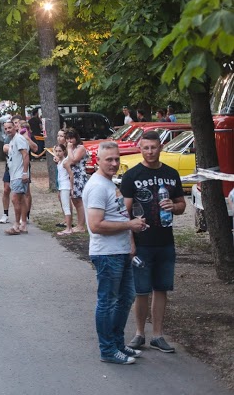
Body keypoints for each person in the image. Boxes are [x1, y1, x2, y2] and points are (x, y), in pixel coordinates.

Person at [121, 130, 186, 354]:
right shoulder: (132, 176)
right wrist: (130, 242)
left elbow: (182, 204)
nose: (150, 152)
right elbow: (125, 213)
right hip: (142, 242)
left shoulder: (171, 174)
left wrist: (174, 207)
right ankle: (139, 334)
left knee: (161, 288)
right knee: (141, 290)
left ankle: (158, 335)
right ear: (140, 148)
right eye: (146, 148)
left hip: (165, 241)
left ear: (161, 147)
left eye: (154, 147)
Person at [84, 141, 148, 364]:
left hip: (120, 251)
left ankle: (118, 344)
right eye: (109, 159)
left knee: (126, 297)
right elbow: (96, 225)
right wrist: (130, 225)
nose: (114, 163)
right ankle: (108, 350)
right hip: (107, 254)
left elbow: (118, 215)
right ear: (97, 161)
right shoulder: (97, 187)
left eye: (116, 159)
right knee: (108, 302)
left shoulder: (109, 183)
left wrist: (130, 237)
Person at [3, 120, 29, 235]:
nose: (8, 130)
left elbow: (25, 155)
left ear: (15, 127)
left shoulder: (19, 139)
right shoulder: (12, 140)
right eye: (6, 128)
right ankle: (23, 225)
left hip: (19, 174)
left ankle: (16, 225)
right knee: (21, 199)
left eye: (10, 127)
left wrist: (25, 172)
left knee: (15, 199)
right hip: (14, 174)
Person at [65, 128, 88, 233]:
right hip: (71, 176)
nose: (69, 141)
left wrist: (69, 149)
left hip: (79, 177)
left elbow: (73, 160)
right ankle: (79, 224)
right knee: (74, 200)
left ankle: (81, 226)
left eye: (71, 138)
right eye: (68, 138)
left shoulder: (80, 148)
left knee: (79, 201)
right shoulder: (71, 148)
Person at [54, 144, 75, 236]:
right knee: (64, 206)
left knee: (66, 207)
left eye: (60, 151)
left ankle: (69, 228)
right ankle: (68, 226)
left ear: (64, 152)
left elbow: (71, 174)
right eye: (56, 151)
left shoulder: (65, 162)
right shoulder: (59, 162)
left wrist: (71, 187)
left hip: (65, 186)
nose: (58, 153)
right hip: (61, 186)